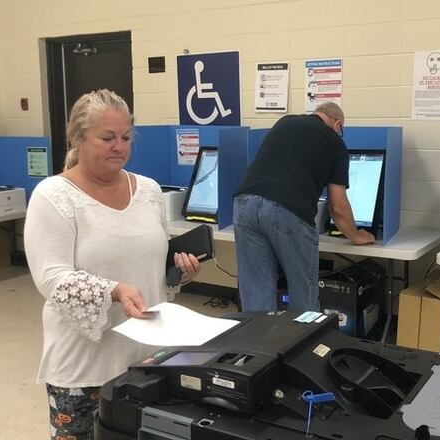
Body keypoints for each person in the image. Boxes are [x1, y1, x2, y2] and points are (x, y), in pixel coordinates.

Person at [24, 89, 201, 440]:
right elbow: (52, 279)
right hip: (85, 367)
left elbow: (154, 263)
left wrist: (178, 271)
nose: (119, 146)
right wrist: (114, 291)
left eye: (125, 137)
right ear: (77, 139)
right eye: (107, 138)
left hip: (147, 360)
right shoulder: (53, 196)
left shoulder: (148, 191)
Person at [233, 101, 375, 313]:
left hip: (244, 204)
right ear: (337, 124)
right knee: (304, 295)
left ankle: (257, 343)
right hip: (287, 210)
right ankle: (305, 343)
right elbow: (338, 206)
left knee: (255, 293)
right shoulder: (335, 144)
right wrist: (356, 236)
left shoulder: (285, 122)